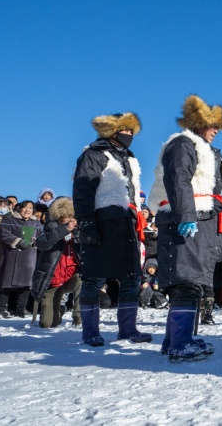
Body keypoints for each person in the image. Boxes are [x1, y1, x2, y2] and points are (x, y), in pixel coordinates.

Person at [148, 95, 222, 361]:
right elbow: (178, 178)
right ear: (197, 122)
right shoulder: (183, 143)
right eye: (211, 123)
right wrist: (186, 215)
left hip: (202, 217)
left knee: (191, 280)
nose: (216, 129)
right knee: (186, 280)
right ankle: (180, 343)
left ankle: (174, 339)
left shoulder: (207, 150)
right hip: (185, 217)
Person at [73, 111, 151, 346]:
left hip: (127, 221)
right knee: (94, 279)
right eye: (126, 130)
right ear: (112, 131)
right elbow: (83, 191)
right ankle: (90, 332)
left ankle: (128, 329)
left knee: (131, 278)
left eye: (132, 131)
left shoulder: (129, 158)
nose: (130, 135)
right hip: (102, 219)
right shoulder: (93, 155)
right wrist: (86, 223)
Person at [32, 197, 82, 328]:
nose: (70, 219)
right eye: (67, 216)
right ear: (58, 216)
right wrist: (65, 229)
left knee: (82, 280)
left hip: (71, 277)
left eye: (72, 216)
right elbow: (42, 243)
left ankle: (79, 318)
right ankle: (59, 311)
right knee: (46, 324)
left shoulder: (77, 231)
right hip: (52, 280)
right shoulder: (50, 229)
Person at [0, 200, 41, 317]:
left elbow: (42, 236)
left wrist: (34, 241)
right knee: (6, 281)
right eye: (25, 207)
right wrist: (18, 241)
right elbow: (3, 233)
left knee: (26, 283)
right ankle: (1, 308)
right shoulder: (9, 219)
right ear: (19, 208)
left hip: (29, 256)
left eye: (30, 208)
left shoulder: (36, 223)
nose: (27, 210)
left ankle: (21, 309)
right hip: (11, 255)